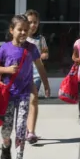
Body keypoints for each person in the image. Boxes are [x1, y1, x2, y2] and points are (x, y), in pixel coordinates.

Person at [0, 15, 50, 159]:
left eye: (26, 29)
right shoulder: (5, 48)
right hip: (8, 95)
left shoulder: (31, 49)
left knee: (21, 127)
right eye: (20, 29)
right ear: (12, 30)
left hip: (24, 93)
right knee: (7, 129)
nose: (24, 32)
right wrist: (7, 70)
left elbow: (40, 66)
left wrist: (45, 84)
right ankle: (5, 145)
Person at [24, 9, 50, 145]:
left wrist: (44, 55)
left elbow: (45, 51)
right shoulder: (21, 39)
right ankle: (26, 128)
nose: (33, 25)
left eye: (35, 22)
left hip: (36, 74)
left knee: (33, 100)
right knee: (25, 104)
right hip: (22, 75)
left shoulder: (41, 39)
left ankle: (31, 131)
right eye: (30, 22)